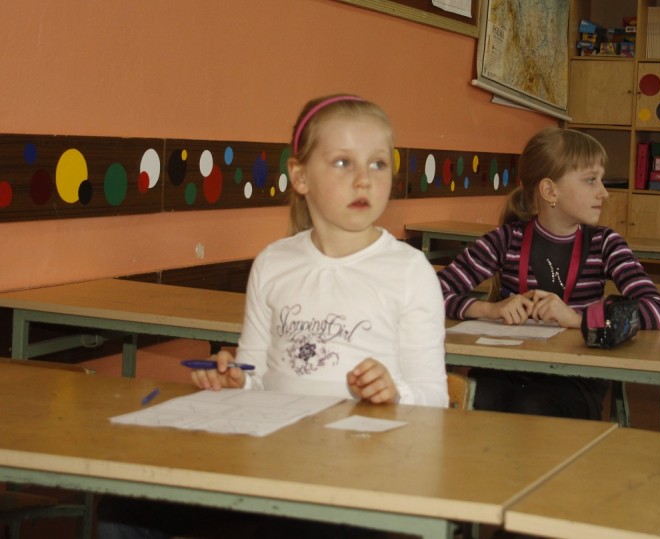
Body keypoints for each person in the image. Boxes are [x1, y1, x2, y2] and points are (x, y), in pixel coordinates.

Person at [97, 94, 448, 539]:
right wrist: (236, 382)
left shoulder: (409, 271)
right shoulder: (274, 263)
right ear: (300, 177)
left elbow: (436, 400)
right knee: (122, 511)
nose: (364, 179)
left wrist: (395, 392)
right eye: (343, 163)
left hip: (366, 477)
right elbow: (257, 376)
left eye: (378, 164)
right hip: (272, 463)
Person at [437, 127, 660, 420]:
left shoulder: (605, 244)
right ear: (550, 191)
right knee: (479, 401)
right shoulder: (505, 240)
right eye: (591, 180)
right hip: (506, 368)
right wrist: (489, 309)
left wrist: (578, 319)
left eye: (601, 179)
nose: (604, 192)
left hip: (575, 377)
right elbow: (430, 293)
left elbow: (656, 310)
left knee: (532, 407)